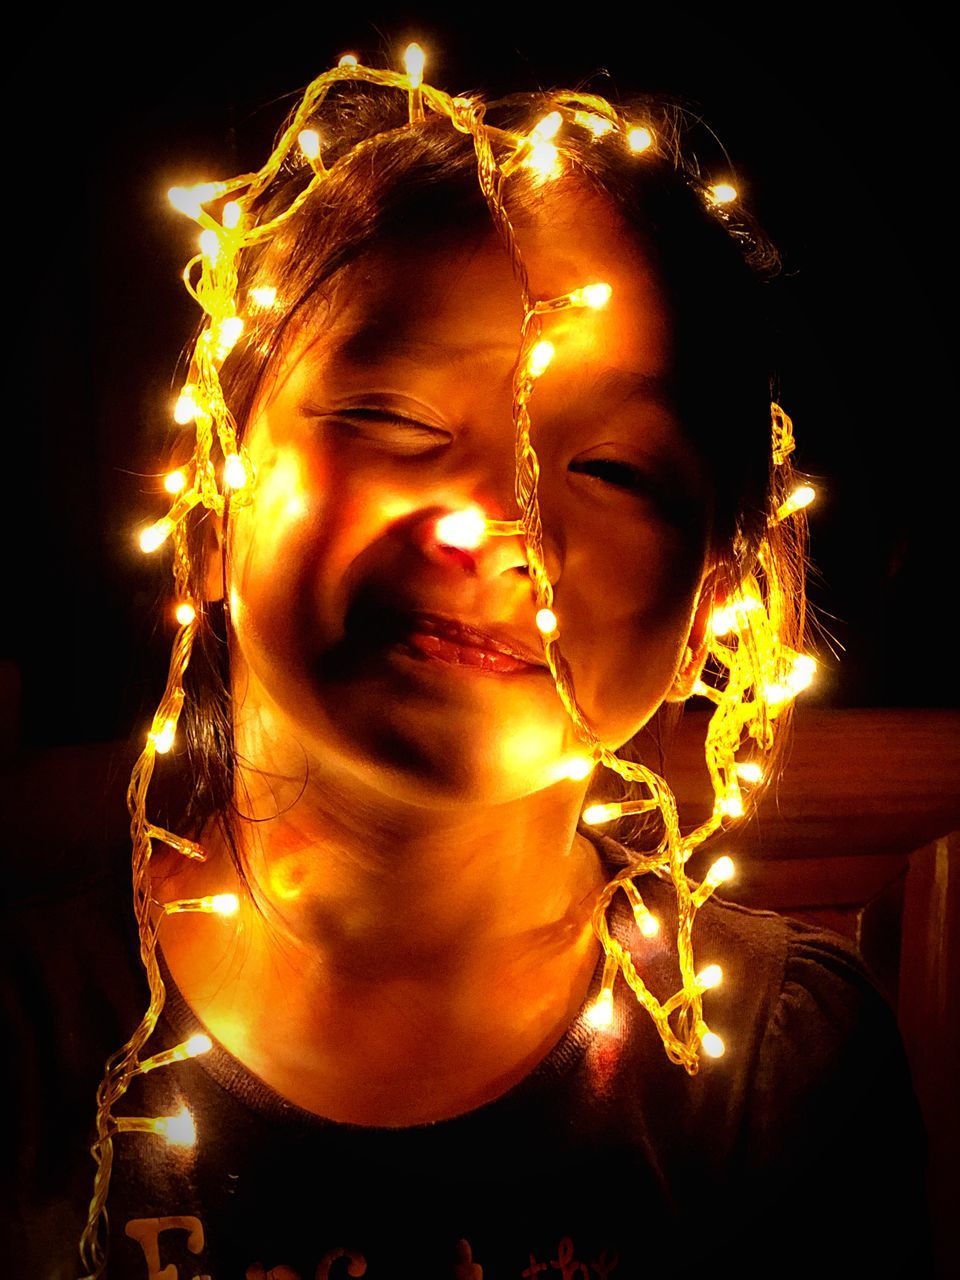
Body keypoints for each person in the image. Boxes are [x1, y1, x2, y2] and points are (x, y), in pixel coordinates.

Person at [3, 53, 931, 1279]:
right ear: (213, 500)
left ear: (713, 599)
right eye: (390, 415)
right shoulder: (26, 1040)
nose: (494, 523)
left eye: (610, 470)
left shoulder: (779, 1061)